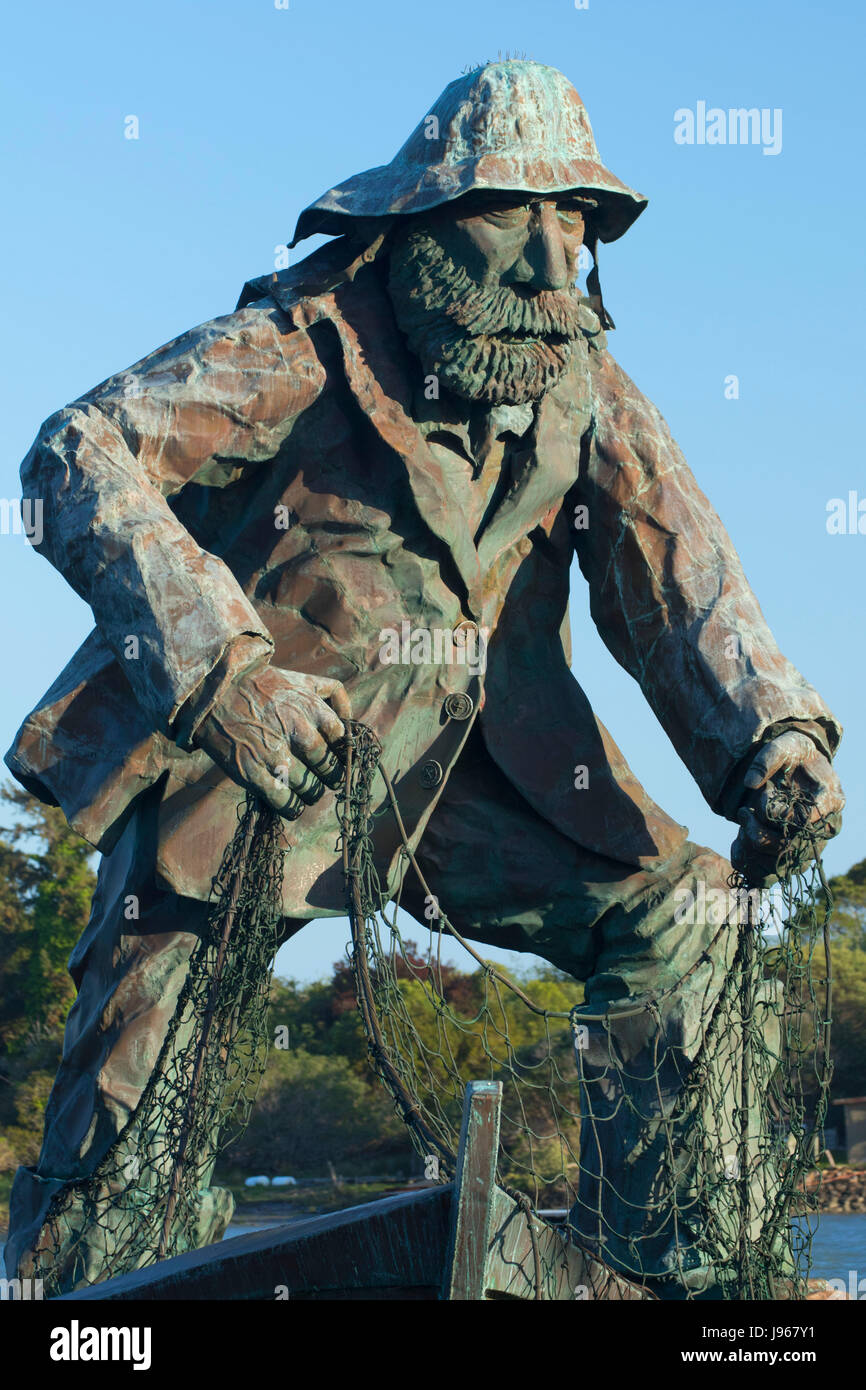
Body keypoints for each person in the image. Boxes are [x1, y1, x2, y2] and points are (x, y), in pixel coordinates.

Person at [4, 59, 843, 1296]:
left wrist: (770, 740)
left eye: (578, 224)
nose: (558, 265)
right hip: (260, 771)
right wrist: (217, 673)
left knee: (690, 921)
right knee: (130, 1118)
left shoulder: (585, 386)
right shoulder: (301, 341)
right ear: (427, 228)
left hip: (487, 777)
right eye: (524, 218)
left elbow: (679, 572)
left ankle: (683, 1279)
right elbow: (74, 457)